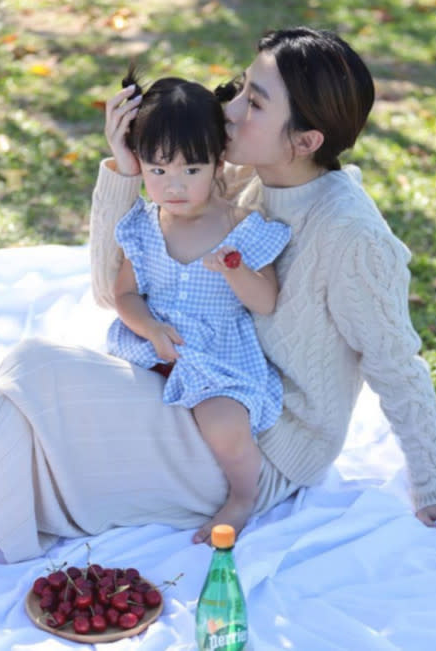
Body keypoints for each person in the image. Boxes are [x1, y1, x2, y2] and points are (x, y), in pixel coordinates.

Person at [0, 26, 436, 563]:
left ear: (305, 141)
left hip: (256, 447)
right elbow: (113, 288)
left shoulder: (351, 235)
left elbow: (396, 364)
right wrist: (127, 171)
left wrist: (434, 487)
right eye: (242, 87)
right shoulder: (241, 175)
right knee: (16, 408)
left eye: (255, 103)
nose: (231, 108)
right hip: (190, 382)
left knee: (34, 375)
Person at [105, 70, 291, 540]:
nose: (174, 185)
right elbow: (124, 294)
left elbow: (266, 300)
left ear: (217, 164)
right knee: (111, 406)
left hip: (217, 359)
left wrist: (234, 271)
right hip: (157, 350)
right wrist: (148, 328)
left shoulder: (241, 226)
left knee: (226, 423)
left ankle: (242, 496)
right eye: (158, 170)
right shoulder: (144, 226)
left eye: (192, 170)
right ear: (141, 165)